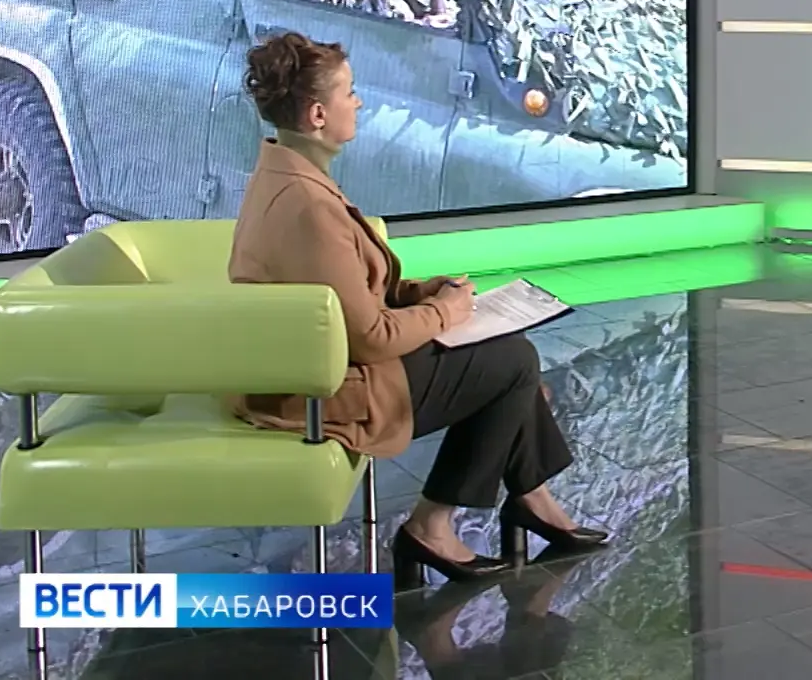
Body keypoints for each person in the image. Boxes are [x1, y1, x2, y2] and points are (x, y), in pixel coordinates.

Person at [227, 32, 609, 587]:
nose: (358, 102)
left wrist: (424, 293)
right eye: (349, 92)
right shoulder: (307, 205)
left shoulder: (286, 175)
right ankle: (434, 525)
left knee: (505, 354)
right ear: (317, 114)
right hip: (323, 391)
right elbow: (370, 338)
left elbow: (347, 293)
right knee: (512, 362)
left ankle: (533, 499)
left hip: (324, 366)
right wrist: (446, 314)